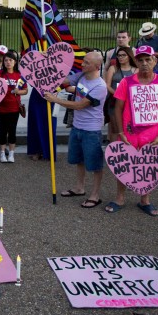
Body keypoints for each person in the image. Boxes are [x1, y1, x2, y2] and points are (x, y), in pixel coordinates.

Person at [107, 45, 158, 216]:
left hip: (152, 133)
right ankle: (120, 198)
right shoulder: (126, 82)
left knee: (149, 165)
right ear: (136, 61)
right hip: (129, 132)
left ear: (155, 61)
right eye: (141, 60)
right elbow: (118, 109)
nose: (144, 63)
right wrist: (121, 132)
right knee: (124, 165)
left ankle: (145, 200)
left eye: (148, 59)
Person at [43, 52, 108, 208]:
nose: (82, 64)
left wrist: (55, 100)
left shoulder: (100, 86)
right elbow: (64, 80)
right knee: (79, 160)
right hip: (77, 126)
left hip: (91, 130)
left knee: (94, 164)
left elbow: (80, 105)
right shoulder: (81, 76)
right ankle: (79, 188)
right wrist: (47, 71)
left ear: (97, 66)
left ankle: (95, 195)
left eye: (86, 62)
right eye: (83, 61)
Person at [0, 50, 28, 163]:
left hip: (14, 108)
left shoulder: (19, 75)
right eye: (6, 60)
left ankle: (12, 153)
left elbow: (25, 90)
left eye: (10, 60)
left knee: (12, 131)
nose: (8, 62)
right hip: (1, 107)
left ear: (15, 62)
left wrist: (19, 91)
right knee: (2, 131)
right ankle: (2, 153)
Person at [104, 46, 137, 142]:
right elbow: (107, 85)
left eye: (123, 55)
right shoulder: (113, 68)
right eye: (118, 55)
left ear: (129, 56)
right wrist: (117, 94)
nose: (120, 57)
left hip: (129, 102)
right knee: (115, 128)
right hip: (114, 101)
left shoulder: (135, 70)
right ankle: (114, 151)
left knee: (129, 127)